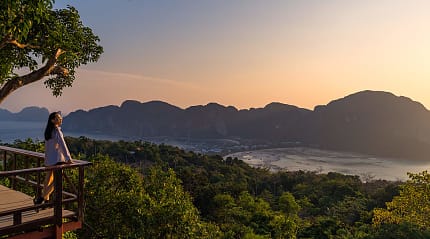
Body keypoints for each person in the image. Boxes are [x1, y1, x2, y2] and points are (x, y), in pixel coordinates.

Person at [34, 112, 72, 205]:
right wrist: (68, 158)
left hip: (49, 160)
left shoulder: (48, 131)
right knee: (56, 181)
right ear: (53, 120)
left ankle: (44, 200)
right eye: (58, 118)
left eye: (60, 117)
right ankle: (42, 198)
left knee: (48, 180)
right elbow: (63, 145)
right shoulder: (56, 131)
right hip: (57, 160)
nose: (61, 119)